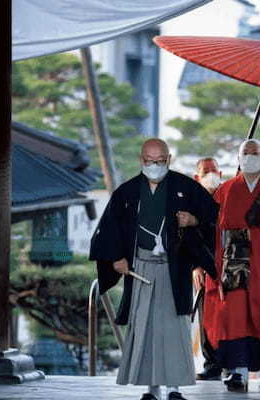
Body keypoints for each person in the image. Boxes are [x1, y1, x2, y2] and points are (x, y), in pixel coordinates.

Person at [90, 138, 218, 400]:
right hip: (141, 267)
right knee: (145, 326)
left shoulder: (186, 187)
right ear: (141, 160)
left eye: (160, 161)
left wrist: (194, 220)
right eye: (149, 161)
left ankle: (174, 388)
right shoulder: (126, 193)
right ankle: (152, 388)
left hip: (175, 268)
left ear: (168, 160)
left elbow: (216, 215)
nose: (155, 166)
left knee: (174, 328)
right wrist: (116, 258)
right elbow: (108, 229)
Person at [203, 138, 260, 393]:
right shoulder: (226, 189)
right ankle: (238, 373)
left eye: (255, 153)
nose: (250, 156)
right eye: (246, 152)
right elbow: (213, 227)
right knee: (235, 314)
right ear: (238, 158)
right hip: (232, 261)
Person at [192, 157, 222, 380]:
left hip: (229, 266)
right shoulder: (190, 202)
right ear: (197, 177)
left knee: (231, 317)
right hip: (203, 268)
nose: (211, 174)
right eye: (206, 171)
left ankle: (233, 363)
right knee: (206, 318)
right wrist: (195, 267)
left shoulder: (230, 196)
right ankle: (212, 364)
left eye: (214, 170)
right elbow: (187, 237)